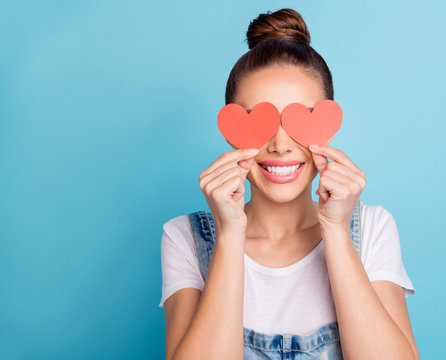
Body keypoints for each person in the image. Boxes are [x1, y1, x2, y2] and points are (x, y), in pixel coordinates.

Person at [159, 8, 419, 360]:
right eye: (258, 120)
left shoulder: (372, 228)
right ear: (231, 131)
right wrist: (230, 234)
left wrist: (337, 232)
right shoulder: (186, 238)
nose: (281, 145)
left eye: (299, 121)